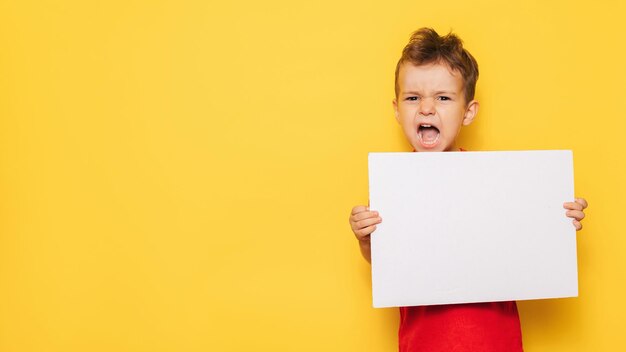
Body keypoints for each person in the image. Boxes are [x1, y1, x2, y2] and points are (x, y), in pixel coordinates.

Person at [348, 28, 588, 352]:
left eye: (443, 97)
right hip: (422, 345)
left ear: (468, 112)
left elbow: (527, 239)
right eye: (413, 97)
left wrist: (558, 219)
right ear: (396, 109)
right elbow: (388, 262)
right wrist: (366, 240)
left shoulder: (499, 182)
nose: (427, 108)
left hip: (496, 343)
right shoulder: (393, 187)